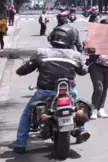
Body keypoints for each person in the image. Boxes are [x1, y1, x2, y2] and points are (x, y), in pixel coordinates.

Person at [14, 26, 91, 154]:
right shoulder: (75, 55)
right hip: (68, 92)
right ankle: (82, 129)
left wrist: (22, 68)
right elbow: (83, 71)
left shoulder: (41, 53)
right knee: (78, 107)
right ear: (69, 41)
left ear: (52, 39)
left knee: (27, 114)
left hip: (45, 92)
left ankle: (20, 144)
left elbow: (23, 70)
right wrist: (89, 62)